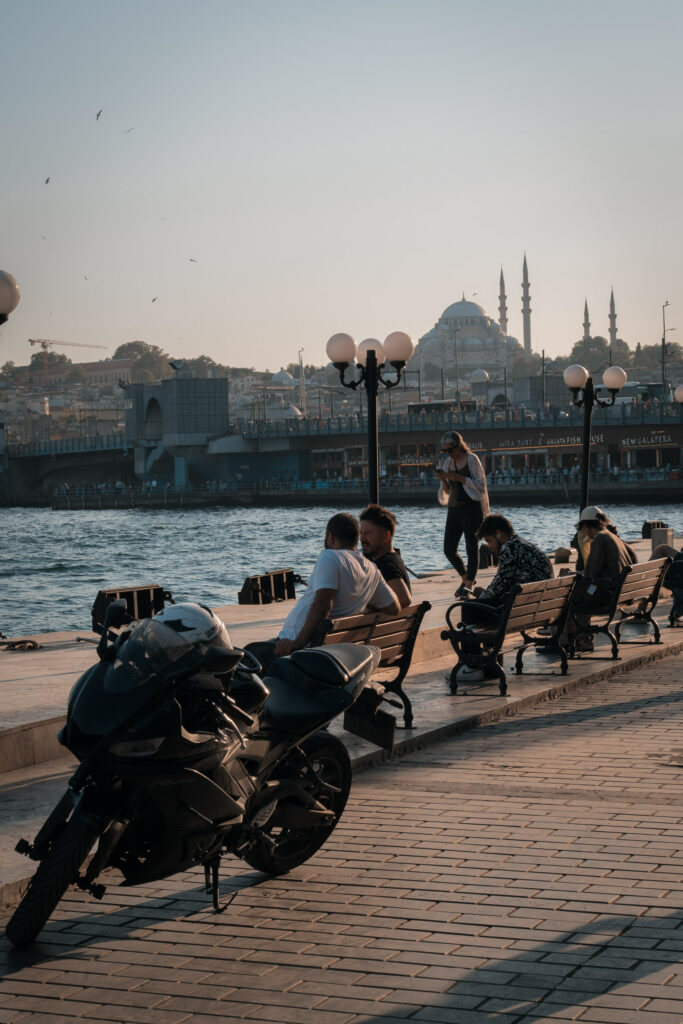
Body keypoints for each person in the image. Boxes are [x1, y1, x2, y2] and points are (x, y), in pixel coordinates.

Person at [246, 513, 400, 674]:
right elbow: (394, 607)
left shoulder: (331, 557)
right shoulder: (371, 568)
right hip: (330, 648)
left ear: (331, 537)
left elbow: (323, 605)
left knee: (246, 659)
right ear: (356, 539)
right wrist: (359, 601)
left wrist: (298, 642)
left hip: (303, 650)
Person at [456, 514, 553, 681]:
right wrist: (485, 595)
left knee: (469, 607)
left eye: (489, 540)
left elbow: (499, 585)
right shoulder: (523, 545)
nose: (490, 546)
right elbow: (506, 582)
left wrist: (482, 595)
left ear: (499, 534)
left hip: (519, 609)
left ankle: (471, 666)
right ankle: (491, 665)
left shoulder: (509, 548)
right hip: (533, 608)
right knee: (484, 606)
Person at [568, 506, 638, 652]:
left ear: (586, 526)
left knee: (573, 594)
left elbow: (590, 575)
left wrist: (571, 575)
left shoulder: (599, 539)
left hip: (607, 595)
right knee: (585, 591)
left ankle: (575, 640)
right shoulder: (613, 536)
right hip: (621, 592)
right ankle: (580, 637)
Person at [436, 431, 489, 596]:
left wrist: (459, 478)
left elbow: (480, 485)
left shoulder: (472, 459)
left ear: (459, 446)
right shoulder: (448, 462)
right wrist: (444, 479)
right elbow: (446, 490)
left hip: (471, 507)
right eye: (444, 451)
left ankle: (467, 586)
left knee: (471, 548)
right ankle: (467, 578)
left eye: (450, 450)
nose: (448, 454)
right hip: (454, 509)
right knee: (449, 549)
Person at [359, 504, 412, 609]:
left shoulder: (385, 564)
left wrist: (363, 604)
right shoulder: (394, 558)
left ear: (386, 536)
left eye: (367, 534)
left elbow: (404, 600)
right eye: (361, 533)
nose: (362, 539)